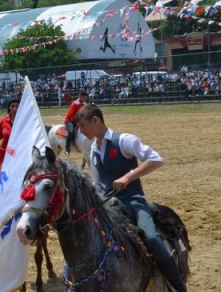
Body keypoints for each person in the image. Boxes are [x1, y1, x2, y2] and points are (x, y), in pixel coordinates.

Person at [76, 104, 187, 292]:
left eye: (82, 125)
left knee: (151, 237)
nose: (80, 131)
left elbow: (156, 159)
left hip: (133, 201)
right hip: (109, 206)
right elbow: (97, 184)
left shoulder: (124, 140)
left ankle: (178, 287)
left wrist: (129, 176)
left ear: (95, 120)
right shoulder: (94, 149)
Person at [63, 91, 89, 155]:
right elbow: (72, 116)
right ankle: (67, 149)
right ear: (80, 97)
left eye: (86, 98)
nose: (85, 99)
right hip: (69, 121)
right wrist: (79, 122)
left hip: (78, 121)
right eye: (84, 98)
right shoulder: (74, 103)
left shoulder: (84, 104)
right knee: (71, 132)